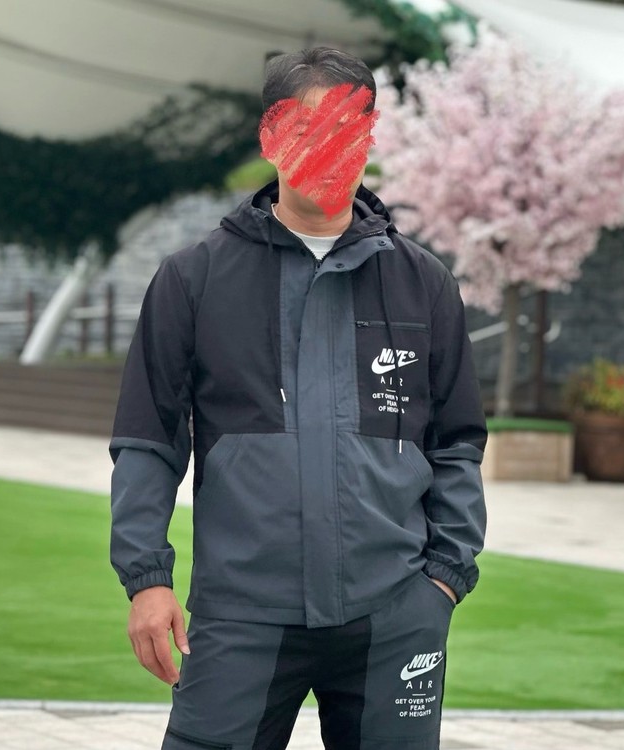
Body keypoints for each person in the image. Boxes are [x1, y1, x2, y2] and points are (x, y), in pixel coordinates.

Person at [109, 47, 487, 750]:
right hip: (242, 616)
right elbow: (148, 442)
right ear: (270, 138)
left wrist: (443, 580)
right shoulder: (193, 279)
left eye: (350, 128)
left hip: (394, 617)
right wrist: (146, 579)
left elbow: (457, 442)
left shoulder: (424, 284)